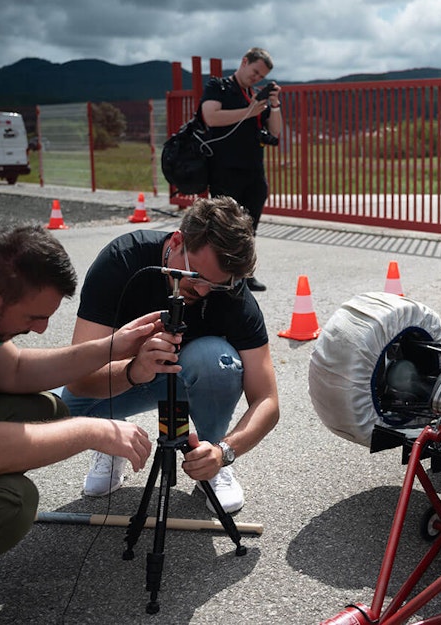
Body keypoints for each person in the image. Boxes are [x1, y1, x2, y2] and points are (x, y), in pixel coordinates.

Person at [0, 226, 159, 609]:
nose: (41, 328)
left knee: (42, 410)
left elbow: (13, 372)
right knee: (9, 505)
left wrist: (112, 348)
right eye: (34, 316)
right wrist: (90, 430)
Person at [60, 196, 280, 514]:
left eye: (215, 285)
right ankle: (109, 439)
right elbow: (79, 379)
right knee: (57, 412)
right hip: (124, 376)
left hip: (187, 376)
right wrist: (136, 368)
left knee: (215, 359)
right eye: (196, 277)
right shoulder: (121, 260)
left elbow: (268, 401)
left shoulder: (231, 291)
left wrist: (225, 451)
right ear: (177, 241)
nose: (203, 291)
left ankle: (209, 459)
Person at [200, 46, 282, 292]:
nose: (256, 78)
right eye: (255, 72)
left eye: (261, 77)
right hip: (225, 169)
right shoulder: (219, 87)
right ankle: (217, 274)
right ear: (244, 61)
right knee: (224, 226)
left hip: (254, 170)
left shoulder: (255, 97)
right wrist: (248, 113)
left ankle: (243, 275)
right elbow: (211, 117)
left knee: (250, 225)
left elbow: (276, 132)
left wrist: (274, 105)